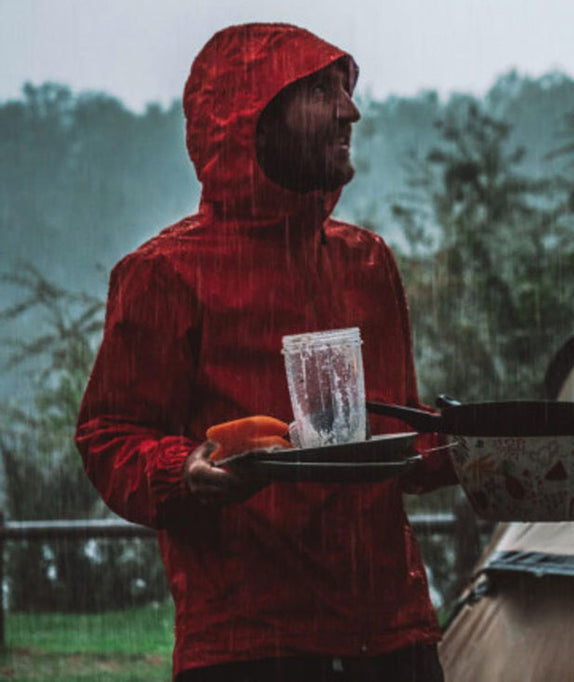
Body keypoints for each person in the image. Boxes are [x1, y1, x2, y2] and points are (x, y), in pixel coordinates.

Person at [75, 23, 456, 681]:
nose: (351, 110)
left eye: (346, 88)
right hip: (250, 649)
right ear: (249, 119)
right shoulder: (167, 274)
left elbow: (390, 436)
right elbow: (108, 437)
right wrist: (183, 467)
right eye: (321, 91)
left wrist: (480, 451)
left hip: (393, 640)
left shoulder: (367, 262)